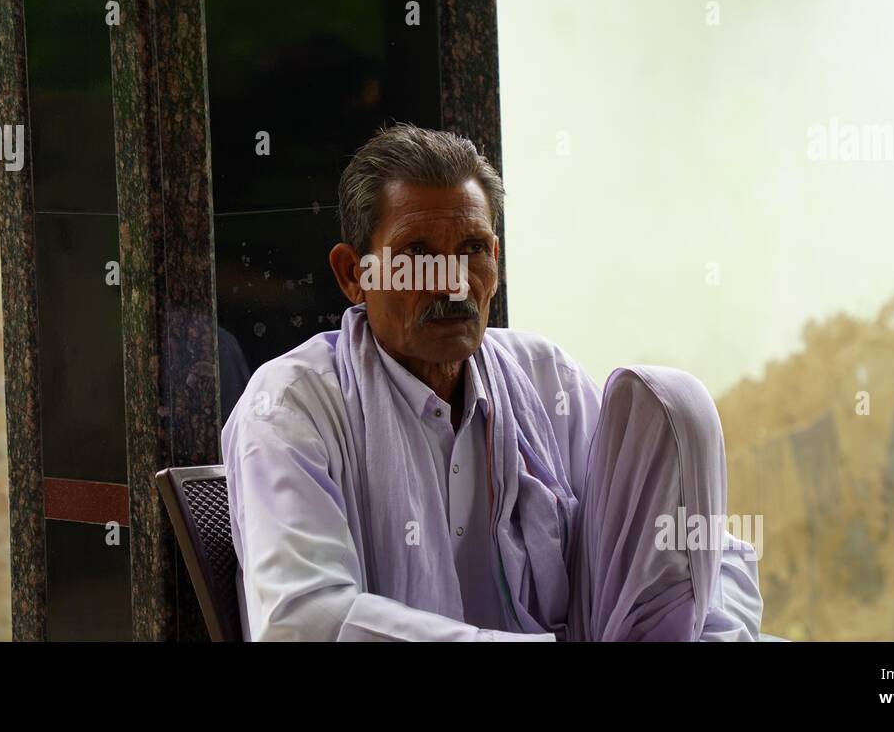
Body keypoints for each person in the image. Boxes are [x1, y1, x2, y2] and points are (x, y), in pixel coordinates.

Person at [221, 124, 762, 641]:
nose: (453, 282)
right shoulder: (292, 407)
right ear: (352, 275)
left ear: (496, 261)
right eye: (417, 256)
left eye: (472, 249)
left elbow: (713, 557)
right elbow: (303, 621)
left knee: (674, 399)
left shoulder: (544, 376)